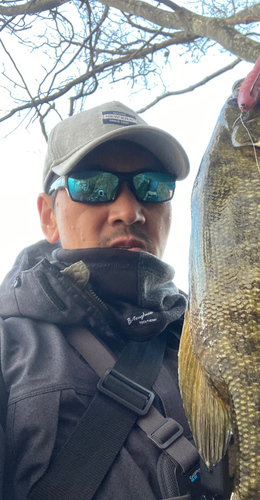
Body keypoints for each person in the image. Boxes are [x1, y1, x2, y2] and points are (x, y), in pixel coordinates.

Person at [0, 101, 200, 500]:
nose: (129, 211)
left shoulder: (213, 334)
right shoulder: (9, 348)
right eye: (94, 185)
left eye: (152, 185)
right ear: (48, 217)